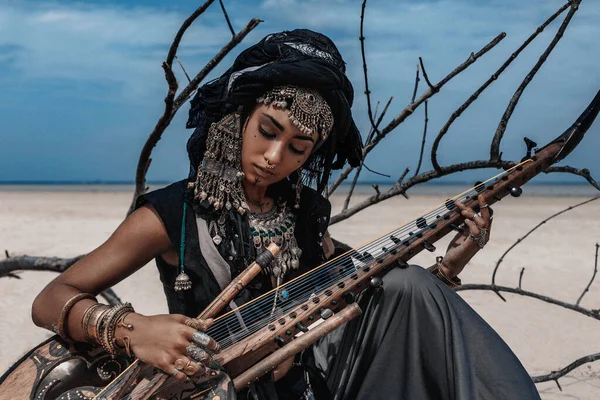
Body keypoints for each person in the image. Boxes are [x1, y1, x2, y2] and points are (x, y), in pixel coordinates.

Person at [31, 29, 540, 399]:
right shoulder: (174, 214)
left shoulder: (304, 213)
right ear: (239, 119)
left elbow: (369, 288)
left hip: (304, 387)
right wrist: (135, 329)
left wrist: (450, 264)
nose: (276, 157)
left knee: (411, 286)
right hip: (209, 390)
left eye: (298, 148)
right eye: (268, 131)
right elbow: (51, 298)